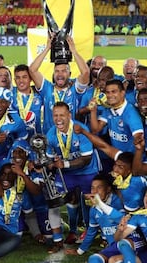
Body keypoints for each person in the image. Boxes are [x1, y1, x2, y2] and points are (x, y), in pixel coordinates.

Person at [45, 102, 99, 251]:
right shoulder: (51, 134)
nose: (58, 119)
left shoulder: (80, 130)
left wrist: (65, 165)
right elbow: (50, 160)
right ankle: (58, 239)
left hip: (87, 171)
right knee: (53, 200)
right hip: (66, 173)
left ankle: (90, 231)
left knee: (91, 202)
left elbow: (86, 158)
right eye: (55, 115)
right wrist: (49, 164)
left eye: (62, 115)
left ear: (69, 115)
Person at [29, 35, 89, 133]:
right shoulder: (47, 88)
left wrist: (74, 51)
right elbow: (32, 70)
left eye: (64, 71)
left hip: (70, 138)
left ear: (69, 74)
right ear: (53, 74)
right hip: (50, 138)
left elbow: (85, 72)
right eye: (57, 71)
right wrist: (47, 48)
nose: (60, 74)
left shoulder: (75, 90)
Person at [90, 79, 144, 153]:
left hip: (130, 158)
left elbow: (139, 138)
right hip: (117, 156)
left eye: (113, 92)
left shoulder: (131, 114)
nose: (110, 95)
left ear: (122, 93)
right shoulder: (109, 109)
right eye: (107, 92)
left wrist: (138, 139)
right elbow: (95, 130)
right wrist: (93, 111)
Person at [10, 64, 43, 139]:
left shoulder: (39, 94)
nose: (21, 81)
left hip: (36, 139)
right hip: (15, 140)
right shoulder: (9, 94)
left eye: (24, 77)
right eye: (18, 78)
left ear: (31, 78)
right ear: (14, 80)